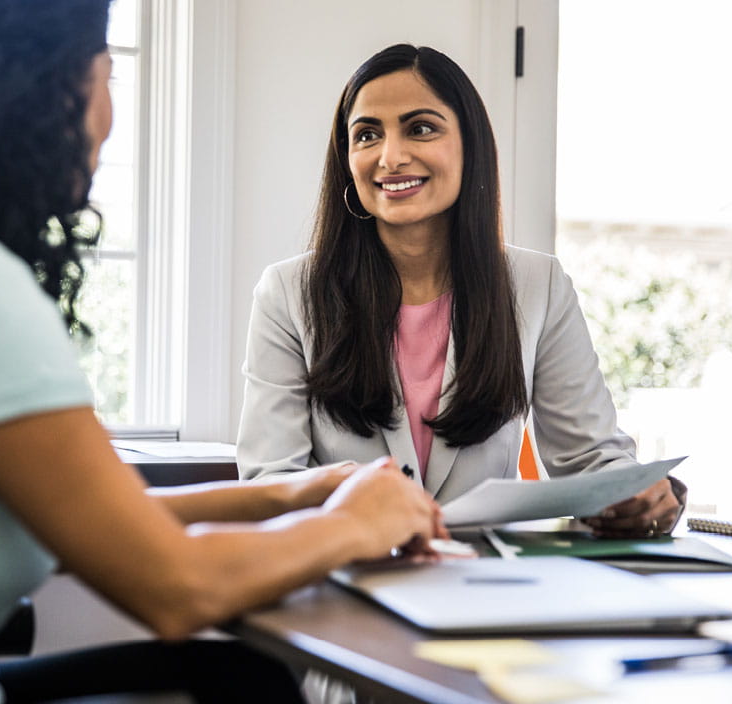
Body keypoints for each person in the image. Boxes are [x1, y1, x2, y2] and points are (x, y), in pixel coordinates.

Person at [0, 4, 445, 703]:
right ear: (46, 91)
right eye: (107, 78)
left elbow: (93, 519)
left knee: (237, 681)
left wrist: (292, 494)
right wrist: (356, 524)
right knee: (241, 682)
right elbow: (177, 588)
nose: (108, 116)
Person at [237, 43, 686, 539]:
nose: (391, 157)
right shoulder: (287, 294)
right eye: (367, 135)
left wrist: (632, 494)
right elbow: (268, 483)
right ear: (347, 159)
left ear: (469, 145)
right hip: (345, 580)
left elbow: (590, 458)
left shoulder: (539, 286)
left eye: (421, 128)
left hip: (488, 586)